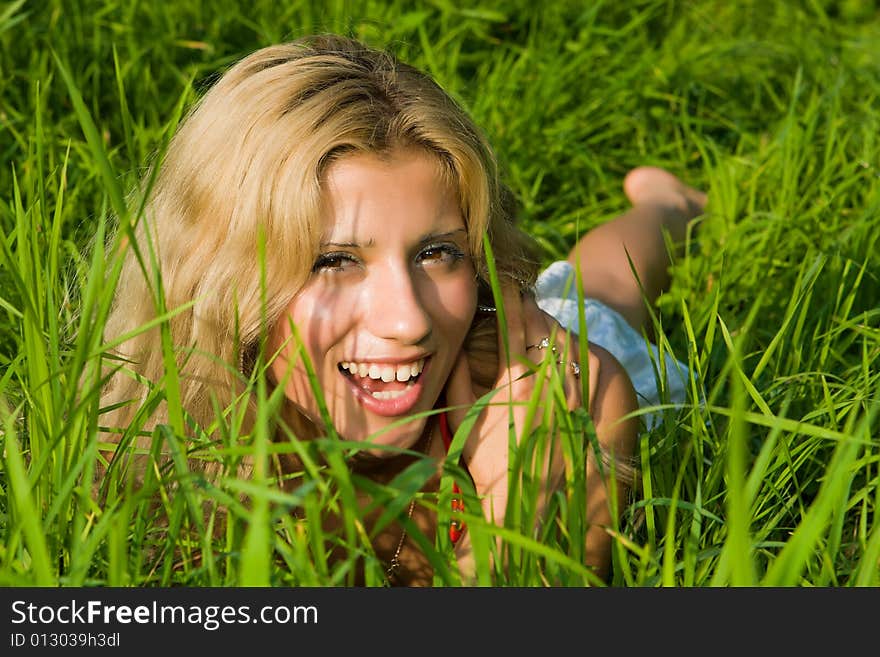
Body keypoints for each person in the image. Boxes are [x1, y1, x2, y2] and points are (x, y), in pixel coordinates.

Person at [99, 33, 706, 586]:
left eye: (438, 252)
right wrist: (501, 532)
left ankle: (667, 205)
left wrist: (524, 502)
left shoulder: (565, 403)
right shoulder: (167, 445)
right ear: (220, 280)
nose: (408, 320)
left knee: (599, 292)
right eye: (333, 261)